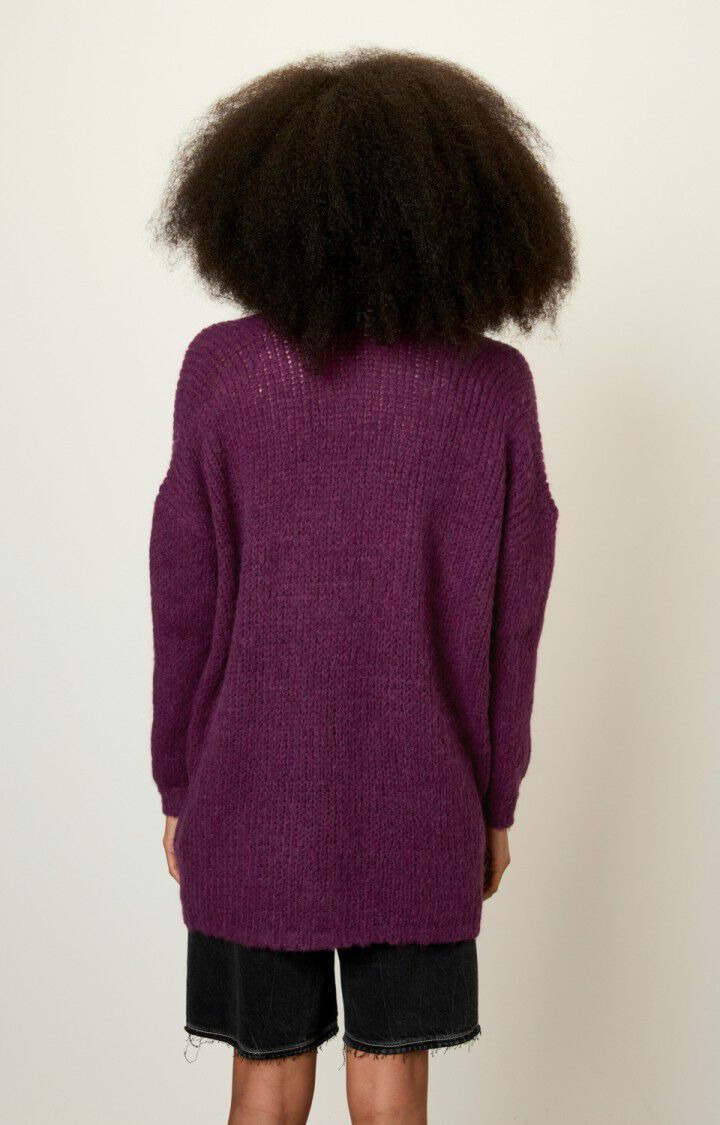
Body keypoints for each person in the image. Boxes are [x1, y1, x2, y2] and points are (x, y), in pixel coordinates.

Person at [148, 47, 574, 1125]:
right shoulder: (491, 387)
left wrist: (178, 782)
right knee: (393, 1091)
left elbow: (182, 598)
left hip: (249, 787)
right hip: (424, 795)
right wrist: (495, 799)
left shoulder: (224, 371)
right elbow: (512, 626)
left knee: (264, 1083)